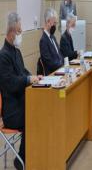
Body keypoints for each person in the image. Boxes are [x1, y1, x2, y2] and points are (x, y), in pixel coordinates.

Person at [0, 13, 40, 170]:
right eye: (19, 31)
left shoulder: (16, 52)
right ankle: (21, 159)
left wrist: (35, 77)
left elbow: (24, 73)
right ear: (11, 32)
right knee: (32, 116)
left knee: (37, 111)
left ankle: (31, 154)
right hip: (11, 110)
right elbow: (11, 84)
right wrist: (28, 80)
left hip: (21, 102)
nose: (20, 34)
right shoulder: (3, 56)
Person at [39, 8, 64, 75]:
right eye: (54, 23)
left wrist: (65, 64)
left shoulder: (52, 37)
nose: (55, 26)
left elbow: (59, 54)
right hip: (52, 74)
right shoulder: (43, 40)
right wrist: (61, 65)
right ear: (48, 22)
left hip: (60, 70)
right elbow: (49, 62)